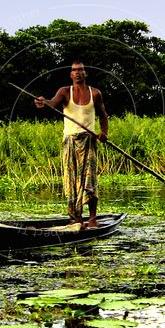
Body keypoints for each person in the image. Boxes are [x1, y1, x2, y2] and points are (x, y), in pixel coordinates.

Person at [34, 61, 109, 228]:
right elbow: (52, 103)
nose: (77, 73)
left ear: (85, 73)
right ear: (71, 74)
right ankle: (76, 218)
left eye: (81, 70)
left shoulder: (95, 93)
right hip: (70, 141)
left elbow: (103, 115)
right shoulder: (64, 91)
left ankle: (92, 218)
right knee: (71, 180)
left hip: (88, 140)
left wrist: (104, 133)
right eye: (74, 70)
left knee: (90, 180)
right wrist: (43, 102)